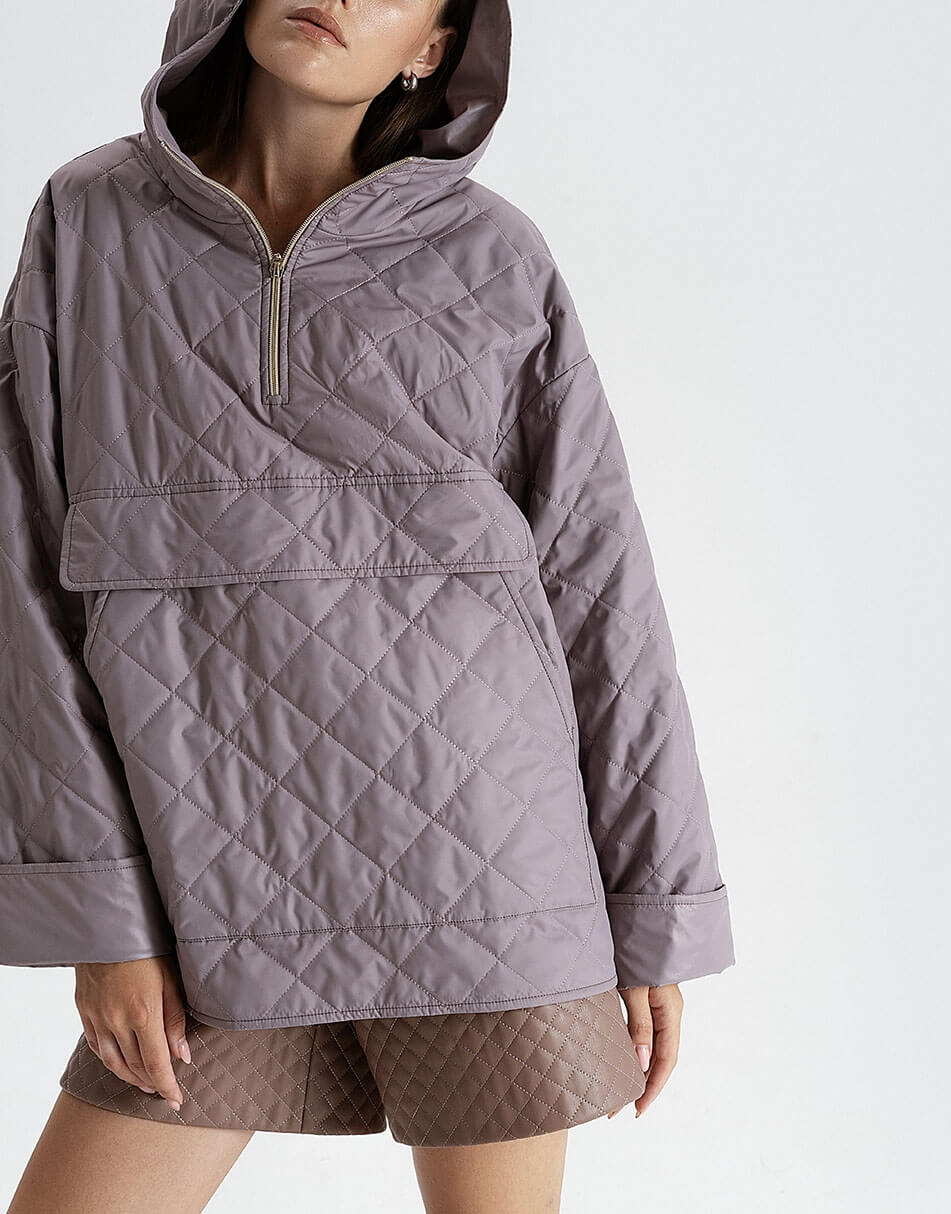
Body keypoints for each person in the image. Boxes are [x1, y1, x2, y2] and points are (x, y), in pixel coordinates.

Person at [1, 1, 735, 1209]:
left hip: (484, 859)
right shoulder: (90, 219)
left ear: (435, 48)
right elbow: (23, 573)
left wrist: (656, 899)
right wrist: (106, 915)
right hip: (206, 874)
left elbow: (599, 584)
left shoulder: (495, 255)